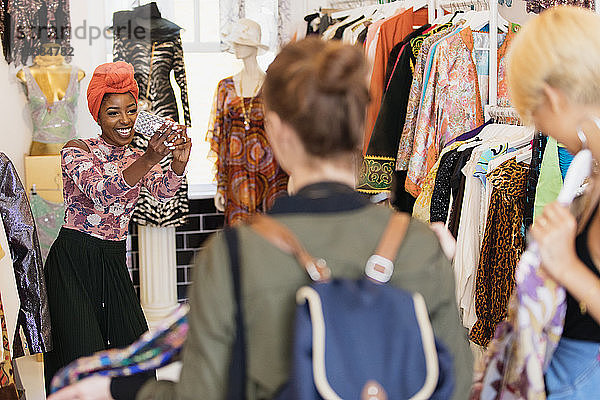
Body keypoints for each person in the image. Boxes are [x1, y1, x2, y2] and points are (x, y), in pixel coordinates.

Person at [48, 39, 472, 400]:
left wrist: (111, 390)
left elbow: (201, 392)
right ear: (361, 125)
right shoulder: (421, 246)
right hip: (80, 258)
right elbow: (459, 381)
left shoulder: (233, 255)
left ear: (275, 130)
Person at [43, 61, 192, 393]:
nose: (125, 120)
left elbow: (164, 191)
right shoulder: (77, 150)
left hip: (113, 260)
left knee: (135, 353)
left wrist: (179, 161)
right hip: (73, 261)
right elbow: (101, 193)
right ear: (97, 114)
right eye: (113, 112)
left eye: (131, 110)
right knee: (83, 355)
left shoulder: (136, 155)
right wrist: (150, 159)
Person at [507, 6, 600, 398]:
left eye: (532, 112)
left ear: (553, 98)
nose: (537, 126)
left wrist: (566, 264)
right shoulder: (591, 169)